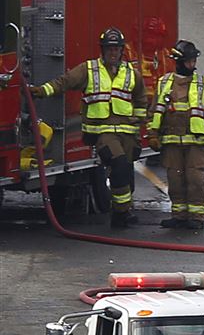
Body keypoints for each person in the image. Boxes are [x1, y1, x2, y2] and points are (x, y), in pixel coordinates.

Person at [30, 27, 148, 227]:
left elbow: (141, 99)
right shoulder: (89, 70)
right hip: (102, 133)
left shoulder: (132, 74)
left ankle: (123, 213)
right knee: (118, 166)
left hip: (127, 134)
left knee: (125, 174)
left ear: (121, 50)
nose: (113, 52)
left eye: (116, 49)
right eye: (109, 49)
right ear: (103, 50)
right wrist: (42, 91)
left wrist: (139, 122)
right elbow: (65, 82)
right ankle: (119, 213)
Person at [146, 40, 204, 230]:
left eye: (194, 61)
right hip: (171, 142)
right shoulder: (164, 83)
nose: (192, 65)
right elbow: (154, 111)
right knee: (175, 180)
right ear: (178, 62)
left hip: (195, 142)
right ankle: (179, 215)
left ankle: (196, 217)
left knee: (195, 179)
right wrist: (152, 135)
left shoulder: (202, 83)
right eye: (189, 61)